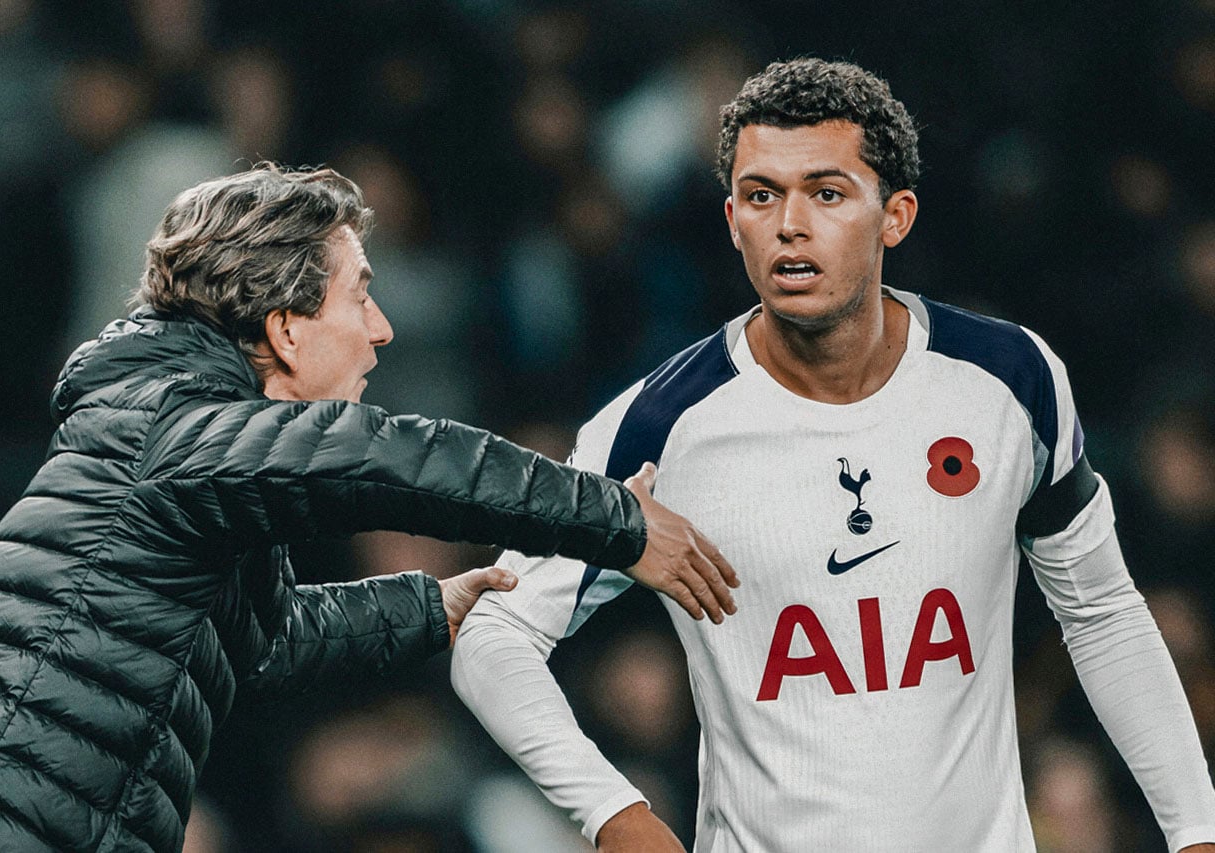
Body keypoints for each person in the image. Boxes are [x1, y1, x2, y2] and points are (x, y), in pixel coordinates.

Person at [452, 58, 1215, 852]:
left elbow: (1102, 611)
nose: (789, 223)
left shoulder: (1010, 379)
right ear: (732, 220)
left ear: (895, 215)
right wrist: (616, 814)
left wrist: (1197, 829)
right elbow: (493, 634)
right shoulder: (655, 426)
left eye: (825, 193)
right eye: (761, 195)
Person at [0, 164, 739, 853]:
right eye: (360, 296)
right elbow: (393, 457)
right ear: (287, 330)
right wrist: (614, 519)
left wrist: (430, 605)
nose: (381, 330)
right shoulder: (179, 428)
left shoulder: (178, 445)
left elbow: (259, 639)